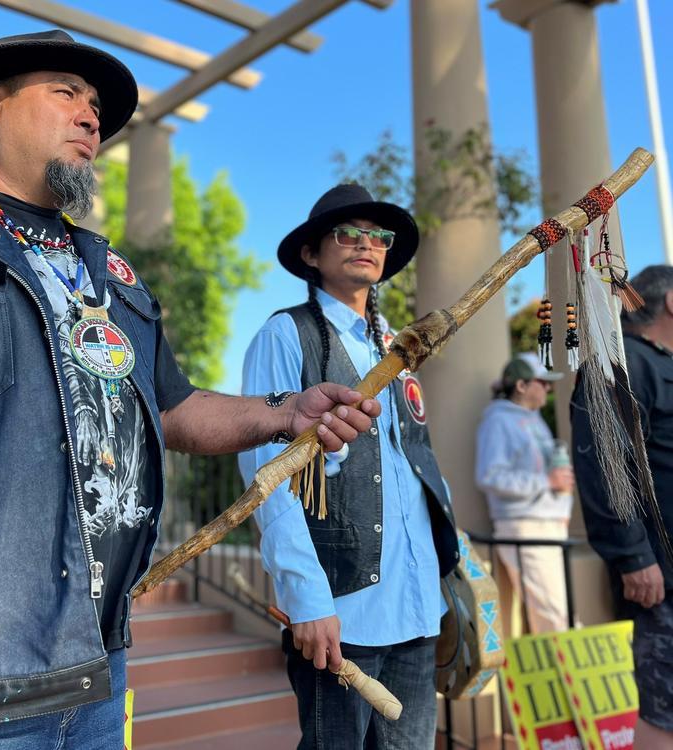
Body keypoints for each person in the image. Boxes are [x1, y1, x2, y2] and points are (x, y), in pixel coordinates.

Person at [0, 30, 381, 750]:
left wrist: (286, 411)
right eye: (66, 93)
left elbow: (175, 409)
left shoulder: (110, 274)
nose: (92, 117)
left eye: (96, 106)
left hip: (95, 676)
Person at [238, 184, 459, 749]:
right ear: (311, 254)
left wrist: (450, 564)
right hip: (341, 610)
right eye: (348, 232)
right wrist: (307, 600)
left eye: (378, 236)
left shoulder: (398, 345)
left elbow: (417, 462)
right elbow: (269, 473)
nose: (367, 243)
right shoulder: (286, 334)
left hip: (416, 606)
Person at [572, 265, 673, 750]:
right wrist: (633, 555)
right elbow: (604, 465)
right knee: (664, 710)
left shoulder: (657, 361)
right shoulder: (619, 365)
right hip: (663, 577)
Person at [475, 353, 574, 634]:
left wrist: (560, 506)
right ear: (521, 386)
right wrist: (547, 481)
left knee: (555, 613)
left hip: (547, 527)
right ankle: (562, 677)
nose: (548, 388)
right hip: (525, 527)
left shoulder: (535, 420)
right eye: (542, 383)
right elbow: (489, 476)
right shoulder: (498, 422)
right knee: (552, 618)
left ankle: (558, 675)